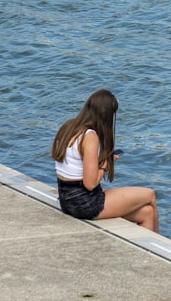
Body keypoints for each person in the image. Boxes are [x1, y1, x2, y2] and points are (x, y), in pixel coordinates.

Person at [51, 89, 159, 232]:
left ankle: (150, 250)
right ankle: (160, 240)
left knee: (147, 213)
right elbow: (90, 184)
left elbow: (74, 166)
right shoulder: (90, 136)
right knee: (149, 194)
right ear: (106, 115)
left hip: (67, 201)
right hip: (86, 204)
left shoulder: (69, 126)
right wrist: (106, 164)